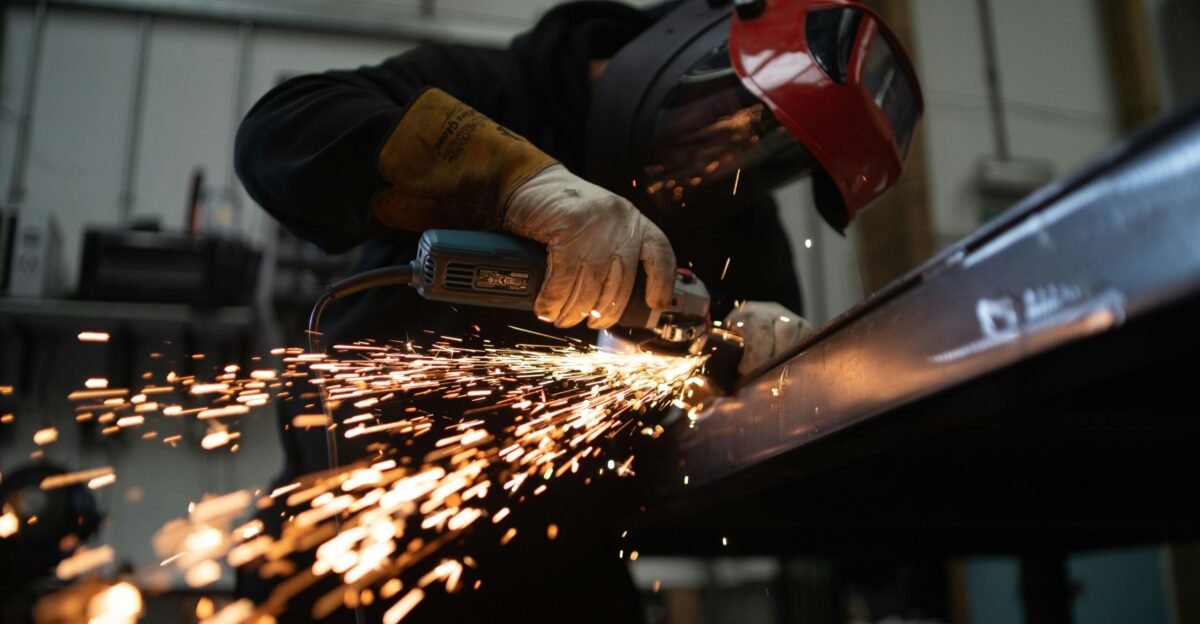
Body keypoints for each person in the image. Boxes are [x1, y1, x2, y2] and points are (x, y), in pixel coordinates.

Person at [234, 0, 922, 621]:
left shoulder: (734, 210)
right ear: (688, 40)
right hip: (343, 541)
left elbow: (752, 428)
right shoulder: (500, 89)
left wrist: (761, 358)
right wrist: (517, 180)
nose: (727, 157)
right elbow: (280, 130)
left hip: (553, 563)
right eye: (735, 119)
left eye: (776, 156)